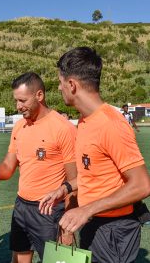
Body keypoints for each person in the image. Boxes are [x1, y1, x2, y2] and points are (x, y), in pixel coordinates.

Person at [39, 47, 150, 263]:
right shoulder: (84, 121)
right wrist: (64, 189)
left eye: (60, 83)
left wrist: (86, 209)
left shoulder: (111, 124)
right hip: (94, 222)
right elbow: (95, 174)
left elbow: (142, 185)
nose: (59, 88)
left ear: (72, 85)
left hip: (114, 229)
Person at [0, 72, 78, 263]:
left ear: (39, 95)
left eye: (22, 100)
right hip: (22, 207)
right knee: (19, 259)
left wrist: (68, 228)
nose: (18, 106)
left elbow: (75, 182)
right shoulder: (19, 127)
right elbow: (8, 166)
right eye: (16, 101)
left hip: (50, 211)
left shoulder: (63, 128)